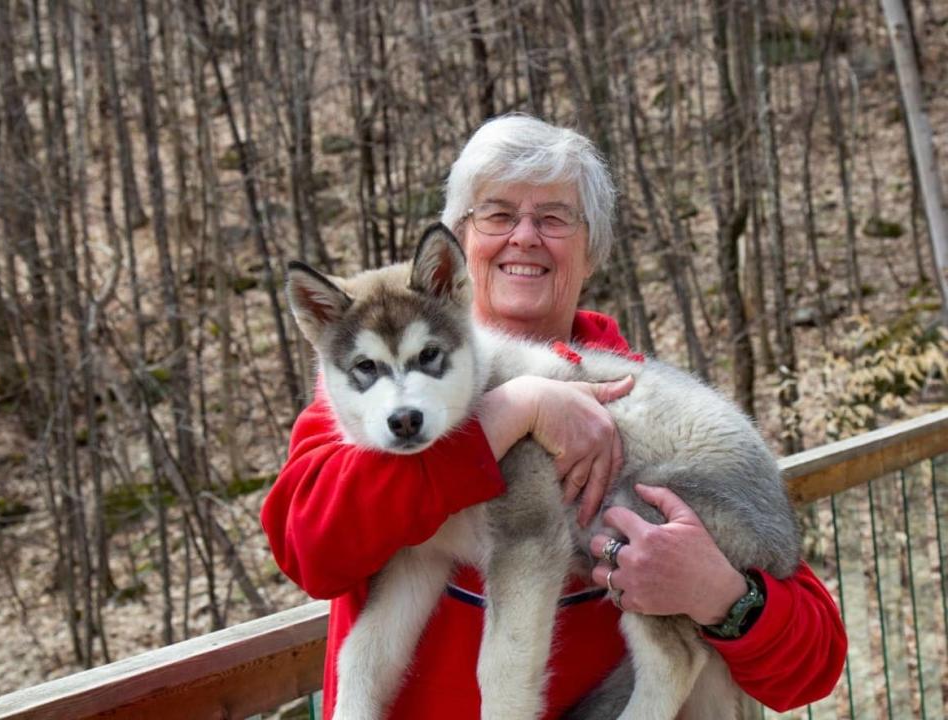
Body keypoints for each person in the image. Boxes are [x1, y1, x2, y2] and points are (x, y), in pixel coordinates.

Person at [261, 115, 847, 719]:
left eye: (554, 218)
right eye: (497, 214)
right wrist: (514, 411)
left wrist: (722, 596)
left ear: (591, 251)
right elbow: (310, 550)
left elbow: (816, 662)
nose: (524, 237)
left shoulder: (640, 402)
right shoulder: (375, 411)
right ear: (459, 246)